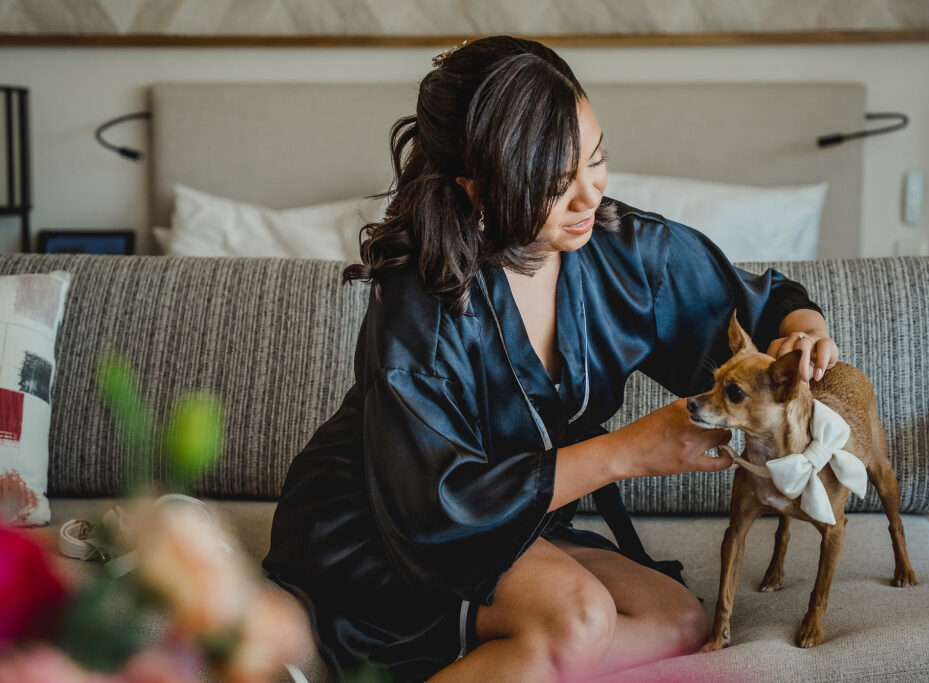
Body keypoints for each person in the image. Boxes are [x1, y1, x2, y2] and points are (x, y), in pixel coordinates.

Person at [262, 35, 839, 683]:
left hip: (519, 520)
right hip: (385, 525)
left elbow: (757, 307)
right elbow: (433, 507)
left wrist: (802, 333)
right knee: (580, 617)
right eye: (554, 183)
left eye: (596, 159)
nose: (589, 196)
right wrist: (629, 451)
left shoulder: (620, 247)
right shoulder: (421, 298)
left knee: (676, 620)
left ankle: (504, 663)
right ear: (476, 185)